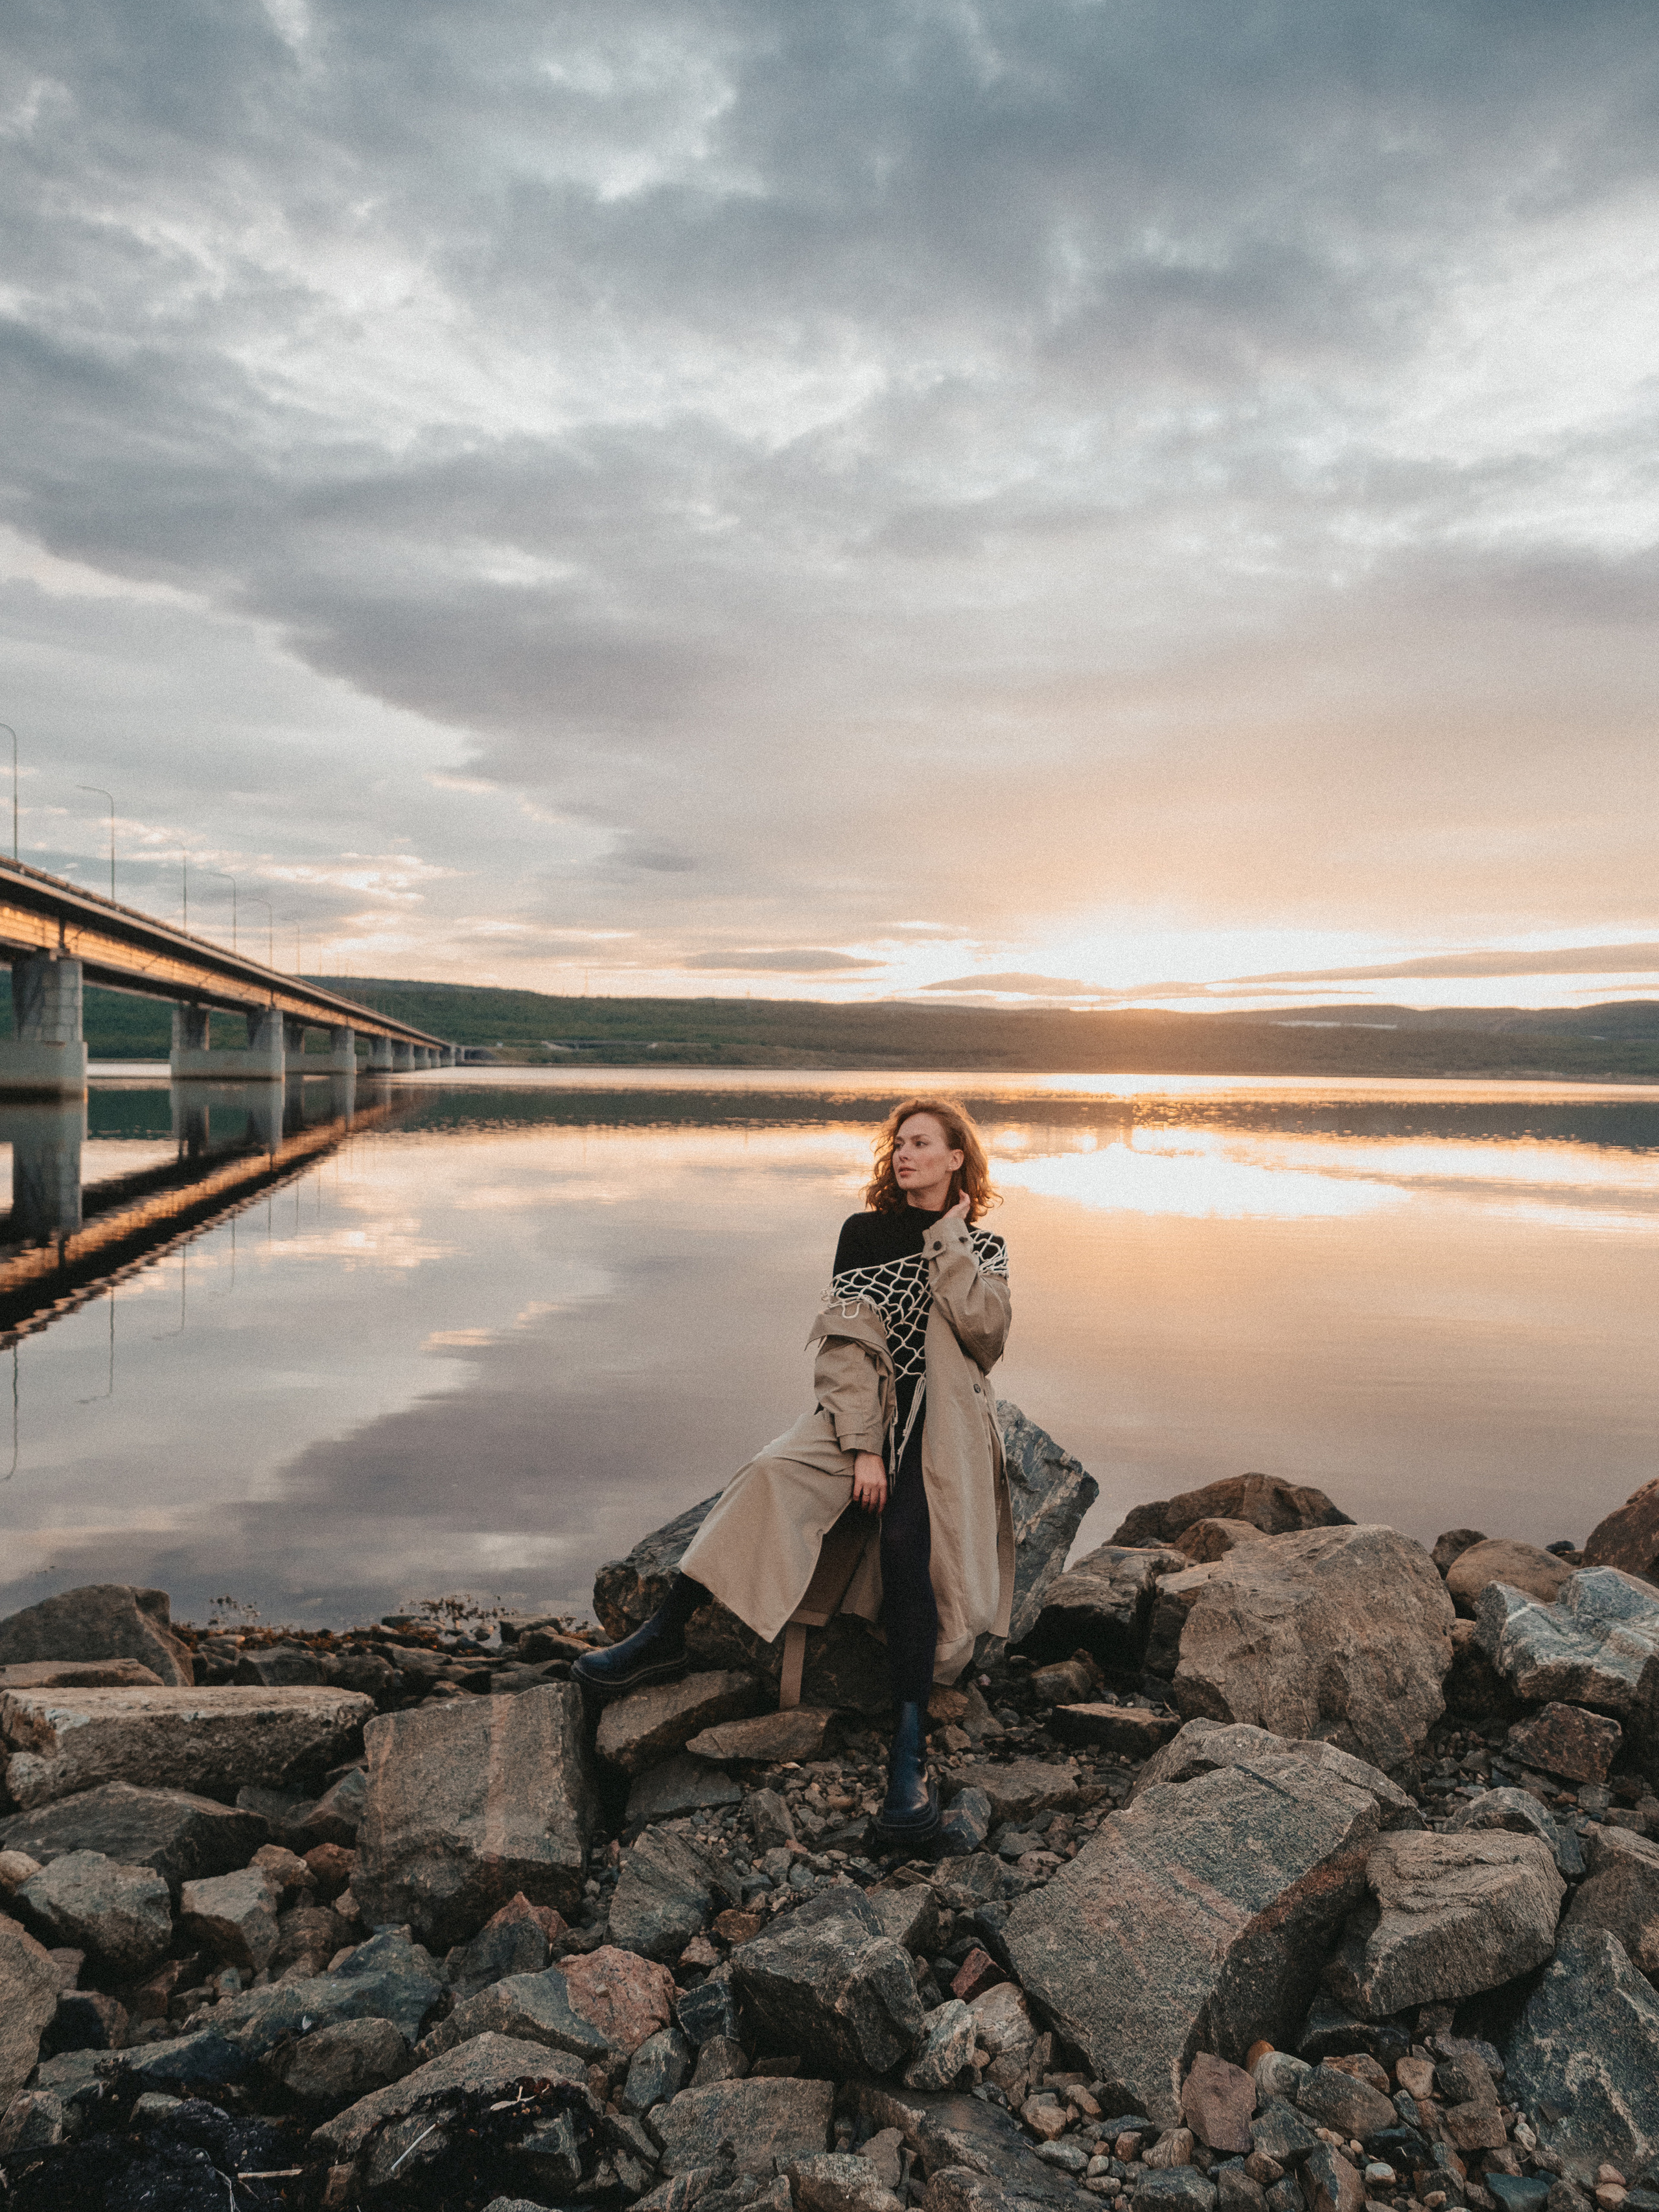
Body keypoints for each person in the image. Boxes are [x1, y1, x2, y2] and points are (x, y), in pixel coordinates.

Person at [575, 1096, 1014, 1846]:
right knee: (768, 1474)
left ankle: (906, 1768)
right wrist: (864, 1446)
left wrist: (947, 1238)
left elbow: (985, 1335)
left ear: (954, 1159)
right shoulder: (863, 1232)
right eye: (897, 1142)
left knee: (912, 1546)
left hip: (944, 1427)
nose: (902, 1153)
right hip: (860, 1413)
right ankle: (664, 1633)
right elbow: (843, 1346)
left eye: (920, 1143)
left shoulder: (984, 1246)